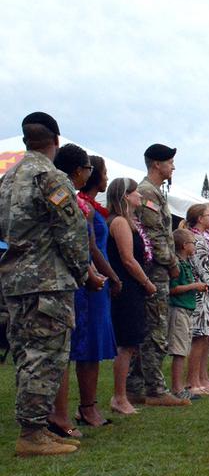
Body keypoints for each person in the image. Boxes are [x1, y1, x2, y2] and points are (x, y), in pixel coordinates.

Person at [0, 112, 89, 456]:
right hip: (47, 281)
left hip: (14, 279)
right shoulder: (49, 178)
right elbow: (71, 234)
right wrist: (81, 271)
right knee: (46, 357)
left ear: (26, 141)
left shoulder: (7, 180)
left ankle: (35, 427)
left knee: (25, 354)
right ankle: (32, 434)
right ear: (56, 140)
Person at [47, 145, 110, 438]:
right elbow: (75, 241)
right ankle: (61, 414)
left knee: (88, 346)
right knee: (69, 347)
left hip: (85, 278)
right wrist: (89, 273)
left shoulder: (79, 200)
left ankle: (86, 406)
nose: (91, 174)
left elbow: (88, 243)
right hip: (76, 281)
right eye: (89, 169)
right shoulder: (68, 196)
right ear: (79, 170)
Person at [128, 144, 189, 407]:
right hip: (156, 270)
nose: (173, 167)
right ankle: (155, 389)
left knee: (151, 328)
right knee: (155, 329)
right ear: (156, 164)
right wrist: (172, 262)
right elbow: (156, 236)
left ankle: (137, 386)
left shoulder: (154, 193)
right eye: (170, 162)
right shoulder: (146, 193)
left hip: (157, 270)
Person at [73, 156, 120, 427]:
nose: (105, 178)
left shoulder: (93, 208)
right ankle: (86, 407)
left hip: (97, 280)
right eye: (104, 173)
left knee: (92, 344)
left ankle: (88, 405)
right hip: (92, 282)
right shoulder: (83, 206)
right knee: (87, 344)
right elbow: (91, 248)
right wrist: (111, 276)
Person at [106, 178, 155, 415]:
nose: (140, 198)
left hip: (131, 287)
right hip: (126, 289)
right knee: (126, 343)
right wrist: (146, 283)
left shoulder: (128, 222)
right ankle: (119, 396)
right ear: (126, 196)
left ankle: (122, 394)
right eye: (136, 193)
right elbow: (127, 259)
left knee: (131, 342)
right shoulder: (120, 223)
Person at [184, 204, 209, 395]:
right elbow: (203, 269)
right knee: (199, 337)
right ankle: (193, 381)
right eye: (208, 215)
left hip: (205, 292)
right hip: (200, 293)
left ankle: (202, 377)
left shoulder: (199, 238)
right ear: (199, 218)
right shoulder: (197, 240)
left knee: (206, 336)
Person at [168, 228, 206, 401]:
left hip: (186, 309)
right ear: (184, 246)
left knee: (184, 348)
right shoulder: (176, 264)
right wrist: (194, 286)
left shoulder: (186, 263)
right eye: (193, 243)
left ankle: (181, 386)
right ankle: (177, 388)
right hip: (178, 309)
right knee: (179, 350)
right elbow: (173, 289)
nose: (195, 246)